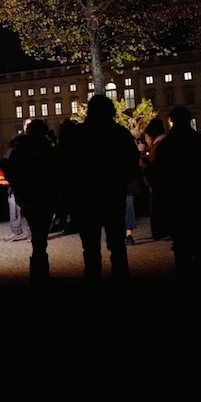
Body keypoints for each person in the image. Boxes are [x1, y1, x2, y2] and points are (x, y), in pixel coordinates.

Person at [59, 94, 139, 283]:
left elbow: (64, 163)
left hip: (85, 197)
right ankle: (121, 282)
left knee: (90, 247)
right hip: (113, 194)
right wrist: (121, 181)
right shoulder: (119, 133)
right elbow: (132, 161)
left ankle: (93, 284)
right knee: (117, 246)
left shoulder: (77, 134)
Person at [147, 106, 201, 282]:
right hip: (199, 199)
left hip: (177, 201)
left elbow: (158, 175)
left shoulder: (167, 145)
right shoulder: (200, 142)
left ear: (172, 121)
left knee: (181, 242)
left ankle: (185, 276)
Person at [2, 118, 62, 284]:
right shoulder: (48, 147)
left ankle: (38, 272)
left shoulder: (21, 147)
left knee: (37, 234)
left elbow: (6, 165)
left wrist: (16, 184)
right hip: (45, 197)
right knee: (40, 235)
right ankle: (40, 272)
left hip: (28, 196)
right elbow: (59, 168)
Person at [0, 118, 32, 243]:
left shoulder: (39, 141)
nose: (28, 127)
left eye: (30, 125)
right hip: (16, 182)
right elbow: (7, 159)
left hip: (31, 182)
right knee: (13, 204)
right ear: (23, 127)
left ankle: (32, 233)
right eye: (26, 125)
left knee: (30, 208)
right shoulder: (16, 140)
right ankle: (16, 232)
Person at [140, 117, 169, 240]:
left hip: (160, 184)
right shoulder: (159, 144)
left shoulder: (160, 145)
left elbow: (157, 167)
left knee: (160, 207)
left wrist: (145, 166)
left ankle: (162, 231)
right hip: (158, 183)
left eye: (146, 137)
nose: (146, 141)